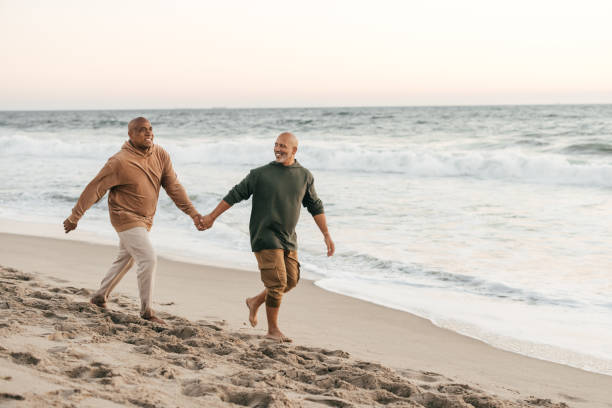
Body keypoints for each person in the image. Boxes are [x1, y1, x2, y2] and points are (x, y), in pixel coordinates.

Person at [63, 117, 203, 325]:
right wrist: (75, 217)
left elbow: (173, 187)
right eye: (141, 130)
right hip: (124, 216)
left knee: (126, 258)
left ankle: (100, 296)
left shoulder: (160, 154)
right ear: (130, 134)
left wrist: (193, 213)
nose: (148, 133)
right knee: (148, 258)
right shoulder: (119, 161)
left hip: (146, 219)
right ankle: (147, 311)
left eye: (150, 129)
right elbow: (95, 188)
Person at [200, 132, 334, 342]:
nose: (278, 149)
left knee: (290, 281)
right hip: (264, 236)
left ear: (294, 151)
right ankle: (273, 330)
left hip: (288, 238)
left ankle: (254, 301)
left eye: (283, 146)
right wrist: (211, 217)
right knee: (277, 283)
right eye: (276, 145)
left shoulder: (305, 176)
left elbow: (315, 205)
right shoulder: (260, 174)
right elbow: (234, 195)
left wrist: (326, 234)